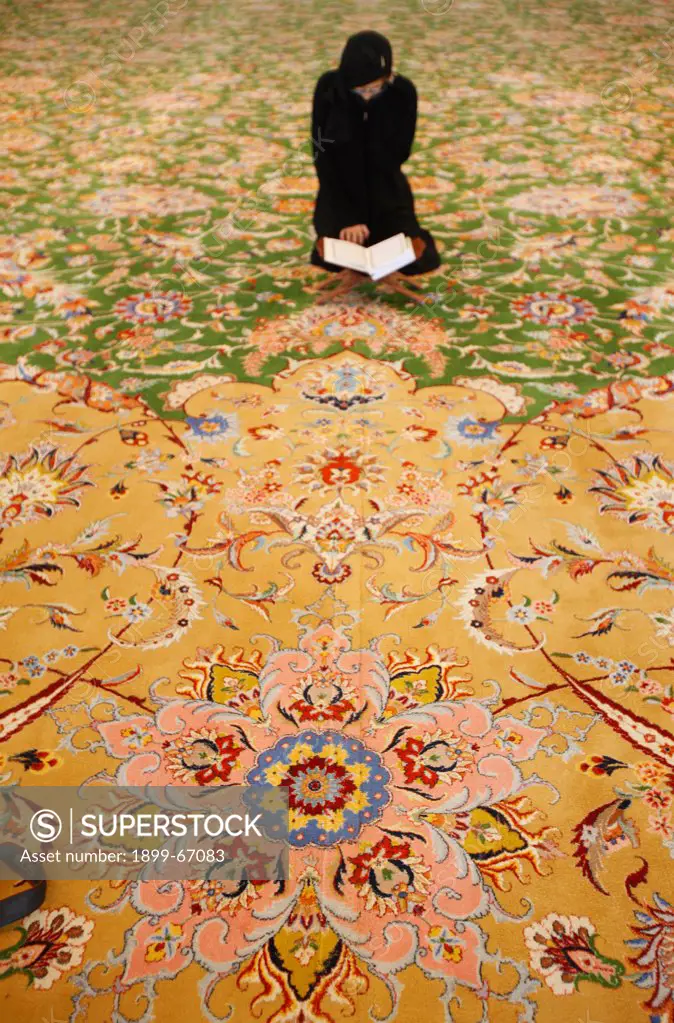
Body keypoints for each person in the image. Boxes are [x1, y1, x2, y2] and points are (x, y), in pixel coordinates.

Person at [310, 30, 440, 278]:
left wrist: (374, 114)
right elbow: (322, 157)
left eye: (375, 89)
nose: (367, 96)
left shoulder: (402, 93)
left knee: (414, 258)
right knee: (332, 260)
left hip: (385, 187)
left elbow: (398, 154)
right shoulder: (329, 89)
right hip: (340, 189)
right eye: (360, 92)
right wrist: (349, 217)